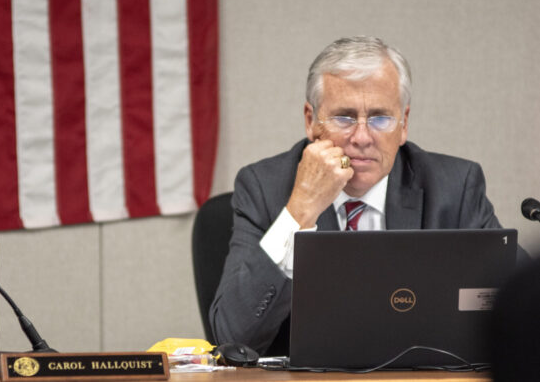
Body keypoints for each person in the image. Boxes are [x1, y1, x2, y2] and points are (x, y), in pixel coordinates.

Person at [210, 36, 507, 355]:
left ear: (404, 124)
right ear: (311, 121)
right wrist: (300, 212)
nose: (362, 137)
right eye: (344, 117)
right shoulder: (265, 188)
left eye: (380, 118)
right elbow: (233, 337)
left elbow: (522, 309)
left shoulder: (454, 188)